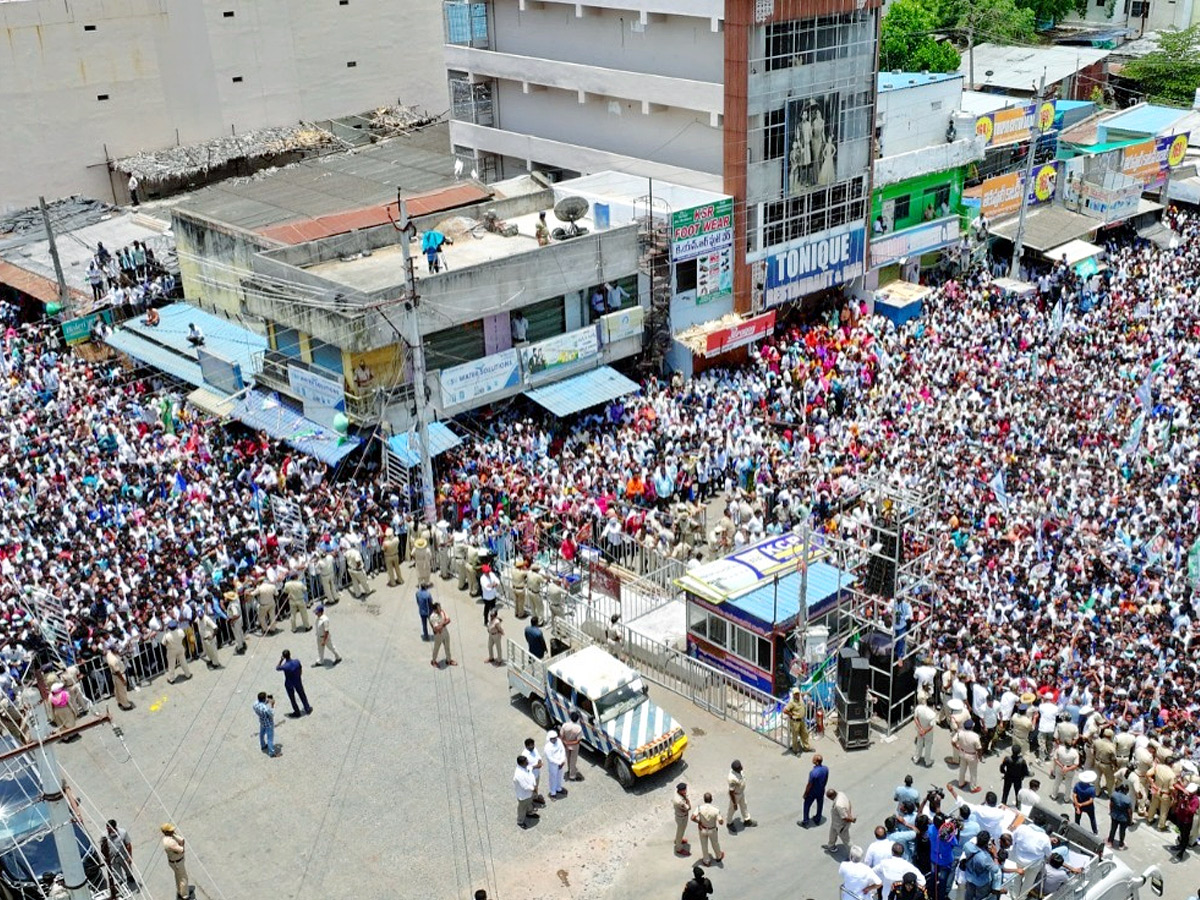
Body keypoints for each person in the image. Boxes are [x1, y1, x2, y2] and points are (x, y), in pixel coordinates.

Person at [960, 832, 998, 900]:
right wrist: (995, 855)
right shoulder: (985, 858)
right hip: (981, 883)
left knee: (968, 895)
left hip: (969, 877)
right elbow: (995, 869)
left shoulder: (967, 845)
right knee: (980, 897)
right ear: (986, 843)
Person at [102, 819, 136, 891]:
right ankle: (121, 883)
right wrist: (106, 858)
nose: (108, 830)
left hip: (123, 856)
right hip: (113, 858)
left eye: (110, 829)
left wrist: (129, 856)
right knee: (116, 873)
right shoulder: (104, 836)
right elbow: (103, 848)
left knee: (127, 868)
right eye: (107, 828)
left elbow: (128, 845)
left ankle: (129, 877)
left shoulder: (123, 833)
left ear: (114, 827)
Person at [276, 649, 312, 718]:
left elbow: (277, 668)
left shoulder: (285, 666)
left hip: (289, 683)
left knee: (292, 698)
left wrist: (281, 660)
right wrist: (299, 675)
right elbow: (300, 669)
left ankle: (297, 712)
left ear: (284, 656)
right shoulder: (296, 661)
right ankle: (307, 708)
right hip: (297, 681)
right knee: (302, 695)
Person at [692, 792, 725, 866]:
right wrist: (721, 820)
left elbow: (692, 818)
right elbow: (721, 822)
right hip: (712, 830)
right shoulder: (715, 810)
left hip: (702, 829)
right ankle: (718, 856)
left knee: (704, 845)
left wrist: (699, 822)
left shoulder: (699, 808)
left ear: (704, 799)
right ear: (711, 800)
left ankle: (706, 861)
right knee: (715, 844)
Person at [799, 754, 829, 827]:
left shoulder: (813, 773)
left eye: (814, 759)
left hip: (812, 792)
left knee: (806, 805)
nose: (812, 759)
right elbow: (826, 779)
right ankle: (818, 819)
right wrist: (823, 786)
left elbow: (809, 785)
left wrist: (805, 793)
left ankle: (805, 821)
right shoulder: (825, 769)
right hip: (821, 790)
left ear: (817, 762)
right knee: (820, 804)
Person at [953, 720, 982, 792]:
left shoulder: (960, 733)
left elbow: (953, 741)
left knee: (962, 769)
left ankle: (961, 783)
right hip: (971, 756)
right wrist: (980, 756)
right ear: (972, 727)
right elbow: (979, 748)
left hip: (962, 753)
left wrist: (957, 747)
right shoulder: (975, 736)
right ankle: (973, 788)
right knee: (973, 772)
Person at [161, 824, 189, 900]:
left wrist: (175, 835)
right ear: (166, 832)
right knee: (183, 878)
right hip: (177, 862)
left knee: (178, 877)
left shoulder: (168, 838)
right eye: (171, 831)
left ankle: (180, 891)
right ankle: (185, 896)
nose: (173, 831)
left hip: (174, 861)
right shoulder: (170, 842)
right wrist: (182, 845)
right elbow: (181, 849)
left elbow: (181, 840)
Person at [1172, 783, 1200, 860]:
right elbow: (1175, 785)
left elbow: (1192, 811)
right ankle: (1179, 846)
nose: (1188, 793)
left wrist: (1187, 803)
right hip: (1180, 818)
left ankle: (1181, 852)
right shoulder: (1185, 795)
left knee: (1185, 837)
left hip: (1186, 821)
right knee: (1181, 833)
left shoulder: (1195, 800)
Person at [825, 788, 855, 855]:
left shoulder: (838, 805)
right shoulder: (841, 794)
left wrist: (852, 819)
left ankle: (853, 855)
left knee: (847, 841)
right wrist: (849, 813)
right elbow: (848, 802)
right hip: (835, 822)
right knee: (832, 833)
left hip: (840, 825)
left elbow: (844, 818)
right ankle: (831, 846)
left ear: (832, 797)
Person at [726, 759, 754, 831]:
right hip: (735, 795)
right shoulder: (732, 778)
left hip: (741, 792)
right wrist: (735, 803)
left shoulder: (739, 771)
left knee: (744, 805)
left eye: (741, 766)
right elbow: (731, 792)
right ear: (735, 769)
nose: (742, 767)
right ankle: (729, 823)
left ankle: (747, 820)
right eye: (739, 767)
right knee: (732, 809)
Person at [783, 687, 813, 754]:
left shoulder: (800, 697)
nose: (797, 695)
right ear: (793, 695)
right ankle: (795, 749)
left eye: (798, 693)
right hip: (795, 721)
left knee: (805, 733)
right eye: (795, 694)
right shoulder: (791, 702)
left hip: (802, 720)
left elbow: (802, 694)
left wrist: (807, 693)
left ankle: (806, 747)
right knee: (795, 735)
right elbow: (785, 710)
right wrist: (791, 714)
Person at [105, 644, 134, 711]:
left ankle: (119, 701)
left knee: (117, 690)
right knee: (122, 690)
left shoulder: (109, 654)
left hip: (114, 675)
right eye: (116, 649)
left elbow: (119, 655)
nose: (118, 650)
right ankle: (126, 705)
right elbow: (118, 672)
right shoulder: (114, 660)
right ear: (113, 650)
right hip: (119, 675)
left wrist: (126, 652)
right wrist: (123, 680)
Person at [514, 755, 539, 829]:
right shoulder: (518, 774)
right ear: (521, 763)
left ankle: (529, 813)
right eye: (526, 762)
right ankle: (520, 821)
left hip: (530, 793)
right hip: (523, 795)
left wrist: (534, 785)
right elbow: (524, 786)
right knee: (522, 808)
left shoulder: (526, 767)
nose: (528, 762)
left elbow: (530, 771)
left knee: (529, 804)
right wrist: (533, 789)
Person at [253, 691, 281, 758]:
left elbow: (261, 704)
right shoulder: (265, 709)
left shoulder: (255, 704)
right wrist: (272, 705)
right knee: (270, 738)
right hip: (269, 723)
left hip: (262, 721)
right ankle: (272, 753)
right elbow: (272, 714)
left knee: (261, 734)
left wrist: (267, 701)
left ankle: (263, 745)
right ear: (264, 699)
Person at [429, 601, 455, 668]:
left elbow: (449, 620)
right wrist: (444, 623)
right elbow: (437, 628)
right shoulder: (432, 617)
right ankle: (433, 661)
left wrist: (442, 624)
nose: (439, 609)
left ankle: (448, 660)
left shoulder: (442, 612)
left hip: (445, 631)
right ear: (434, 610)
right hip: (438, 635)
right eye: (438, 609)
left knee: (447, 646)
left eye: (440, 608)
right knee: (436, 648)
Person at [560, 710, 584, 782]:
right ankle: (572, 776)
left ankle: (569, 769)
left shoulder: (565, 725)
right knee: (573, 760)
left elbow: (561, 735)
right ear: (577, 719)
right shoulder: (578, 728)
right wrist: (570, 743)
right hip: (574, 747)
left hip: (565, 745)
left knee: (568, 758)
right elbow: (578, 741)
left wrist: (565, 742)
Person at [1107, 781, 1132, 849]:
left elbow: (1111, 805)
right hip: (1123, 818)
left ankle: (1110, 841)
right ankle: (1121, 844)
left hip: (1114, 815)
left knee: (1113, 829)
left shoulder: (1114, 795)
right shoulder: (1128, 799)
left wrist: (1111, 812)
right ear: (1126, 791)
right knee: (1122, 831)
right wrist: (1130, 820)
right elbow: (1129, 812)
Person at [543, 729, 567, 798]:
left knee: (560, 776)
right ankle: (553, 792)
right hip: (553, 765)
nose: (555, 740)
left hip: (560, 763)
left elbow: (562, 750)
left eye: (555, 738)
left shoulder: (559, 741)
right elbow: (550, 758)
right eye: (553, 738)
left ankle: (558, 788)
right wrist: (559, 763)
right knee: (553, 778)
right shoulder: (547, 747)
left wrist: (562, 760)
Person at [913, 700, 936, 766]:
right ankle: (927, 761)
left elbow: (916, 718)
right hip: (928, 732)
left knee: (919, 743)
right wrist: (924, 731)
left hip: (919, 729)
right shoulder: (933, 714)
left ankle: (916, 758)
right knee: (928, 745)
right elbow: (931, 726)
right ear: (933, 705)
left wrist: (920, 729)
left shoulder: (919, 708)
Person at [673, 783, 693, 856]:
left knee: (680, 830)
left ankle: (678, 840)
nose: (685, 791)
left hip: (680, 816)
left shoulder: (677, 793)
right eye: (684, 790)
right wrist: (688, 801)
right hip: (682, 817)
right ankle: (679, 848)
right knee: (681, 831)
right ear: (680, 791)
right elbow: (688, 807)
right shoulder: (680, 801)